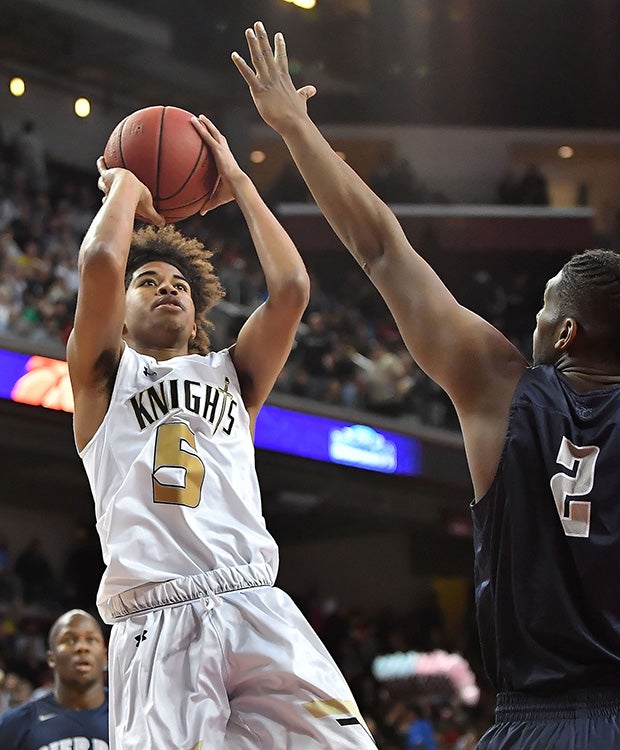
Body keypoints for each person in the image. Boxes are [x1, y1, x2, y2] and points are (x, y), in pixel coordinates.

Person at [233, 21, 620, 749]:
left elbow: (381, 248)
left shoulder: (503, 387)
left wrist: (294, 129)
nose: (530, 326)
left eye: (543, 310)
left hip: (536, 721)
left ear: (565, 335)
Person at [66, 115, 376, 750]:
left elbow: (290, 288)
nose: (167, 290)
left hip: (254, 600)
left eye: (179, 284)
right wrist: (125, 183)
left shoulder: (233, 375)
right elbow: (100, 258)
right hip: (156, 615)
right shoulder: (104, 379)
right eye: (147, 282)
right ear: (119, 312)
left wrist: (238, 180)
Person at [0, 609, 108, 749]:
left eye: (91, 639)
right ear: (51, 658)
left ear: (105, 657)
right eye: (69, 639)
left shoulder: (131, 716)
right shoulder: (15, 725)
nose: (82, 647)